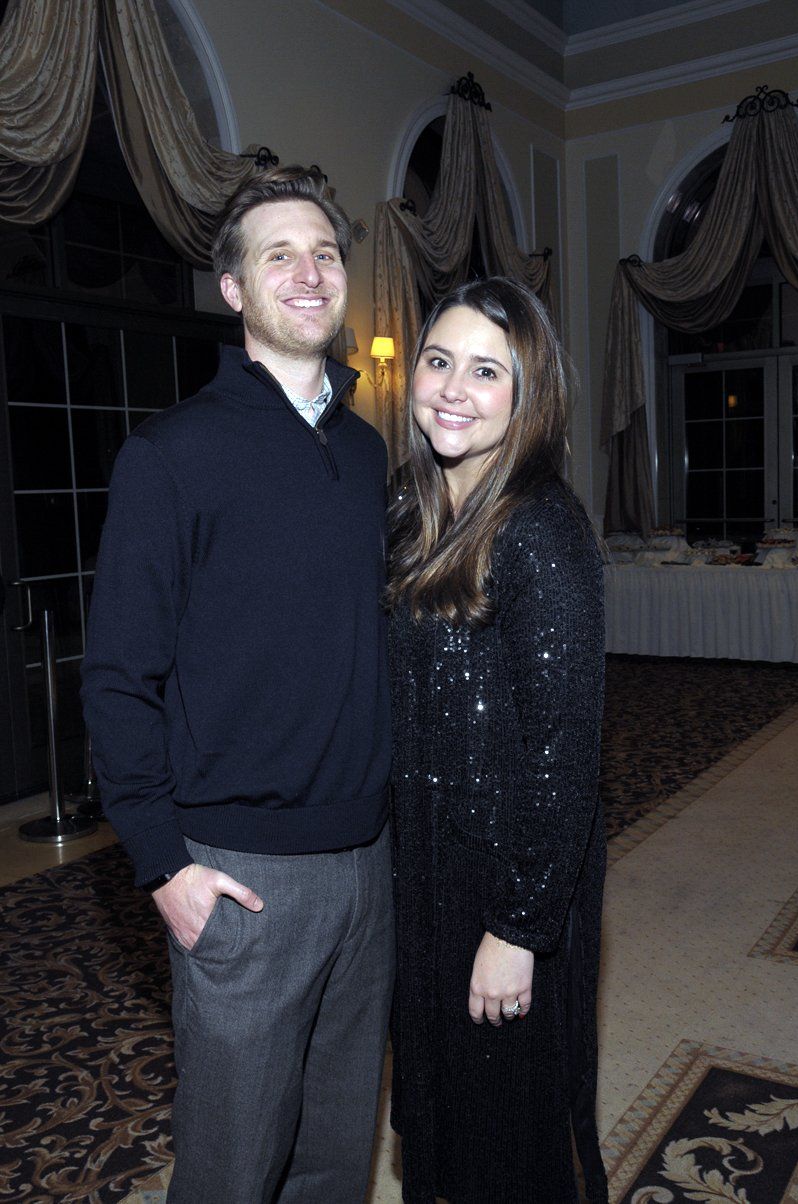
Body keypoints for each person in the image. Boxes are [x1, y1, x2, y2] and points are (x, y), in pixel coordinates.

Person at [81, 166, 394, 1204]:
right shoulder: (171, 454)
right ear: (232, 291)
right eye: (278, 255)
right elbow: (119, 675)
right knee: (230, 1167)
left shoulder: (366, 453)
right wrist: (163, 863)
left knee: (334, 1155)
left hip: (367, 864)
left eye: (325, 253)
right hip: (241, 872)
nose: (309, 274)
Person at [386, 277, 608, 1203]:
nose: (451, 388)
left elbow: (566, 755)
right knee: (441, 1113)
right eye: (439, 361)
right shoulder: (415, 511)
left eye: (487, 371)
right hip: (430, 869)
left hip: (508, 883)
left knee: (509, 1138)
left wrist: (519, 928)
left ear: (529, 397)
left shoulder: (539, 529)